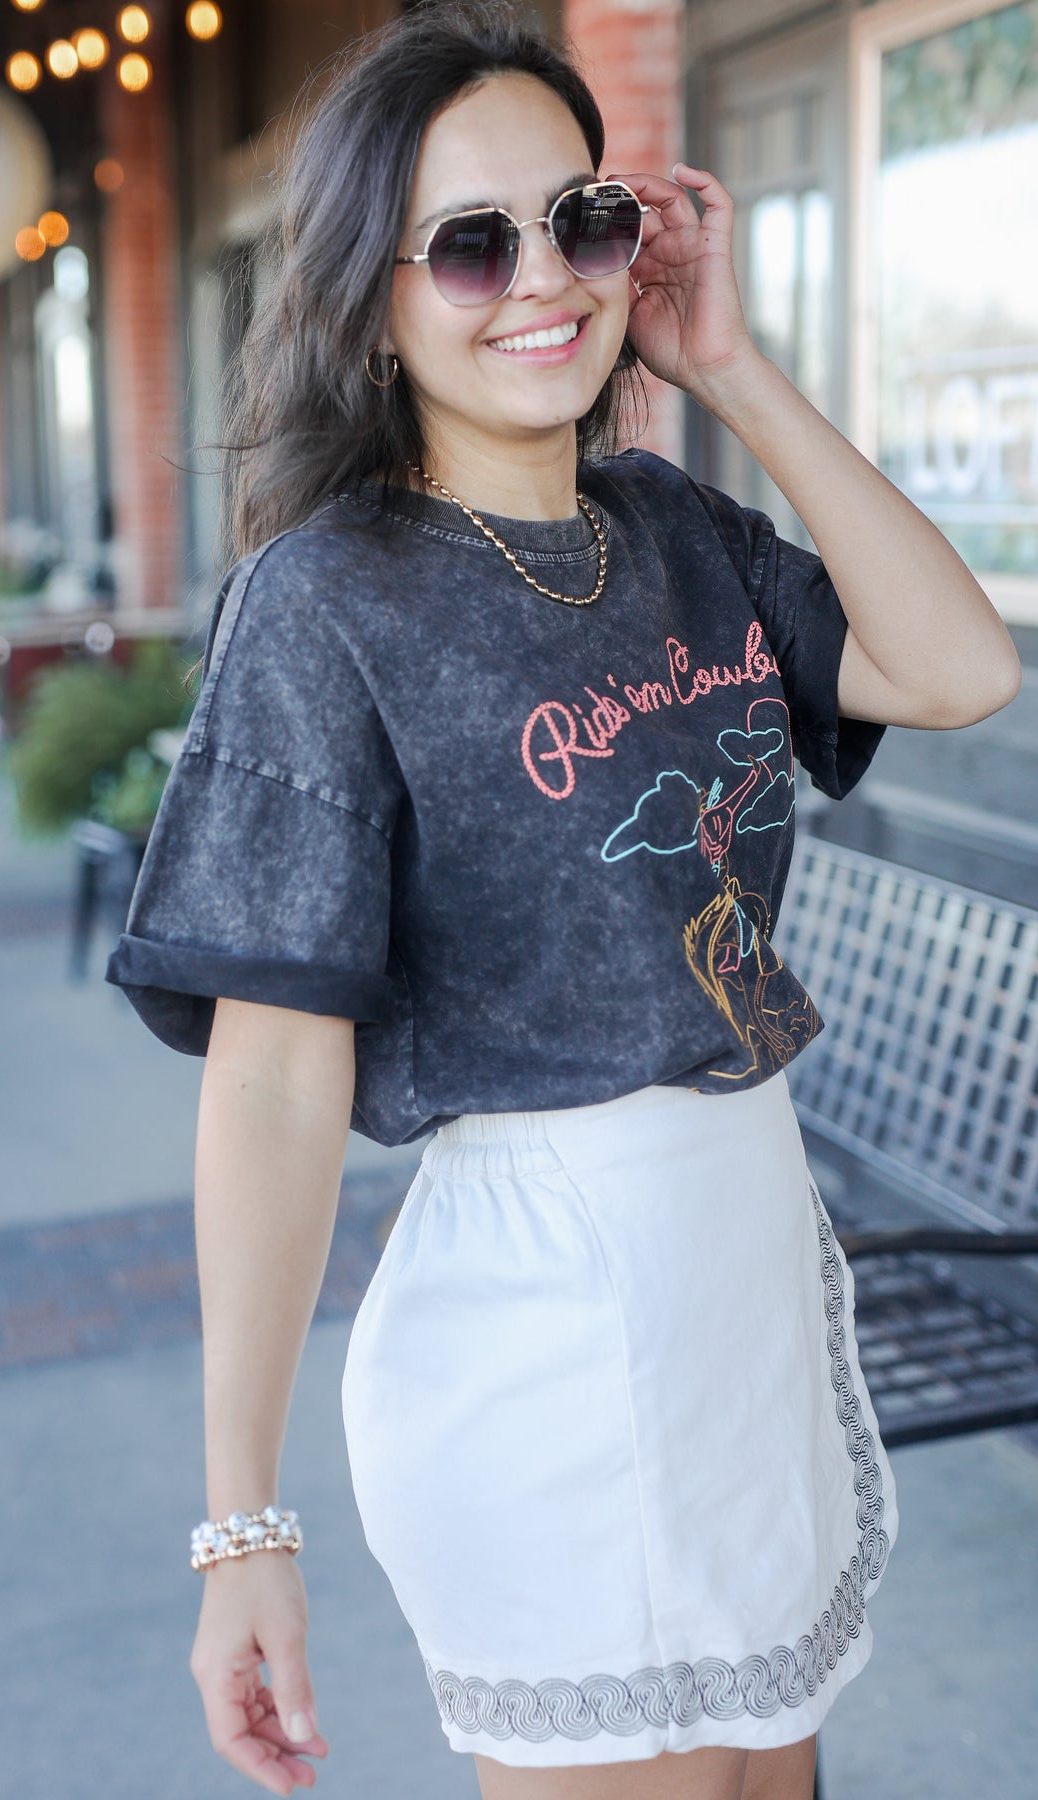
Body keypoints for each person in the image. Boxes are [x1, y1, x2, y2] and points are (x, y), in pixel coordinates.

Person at [104, 5, 1022, 1797]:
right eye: (469, 242)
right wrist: (241, 1526)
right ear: (372, 291)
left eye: (580, 220)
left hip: (749, 1269)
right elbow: (274, 1081)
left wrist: (737, 368)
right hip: (546, 1322)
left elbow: (963, 663)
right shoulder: (325, 603)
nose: (543, 279)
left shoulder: (672, 528)